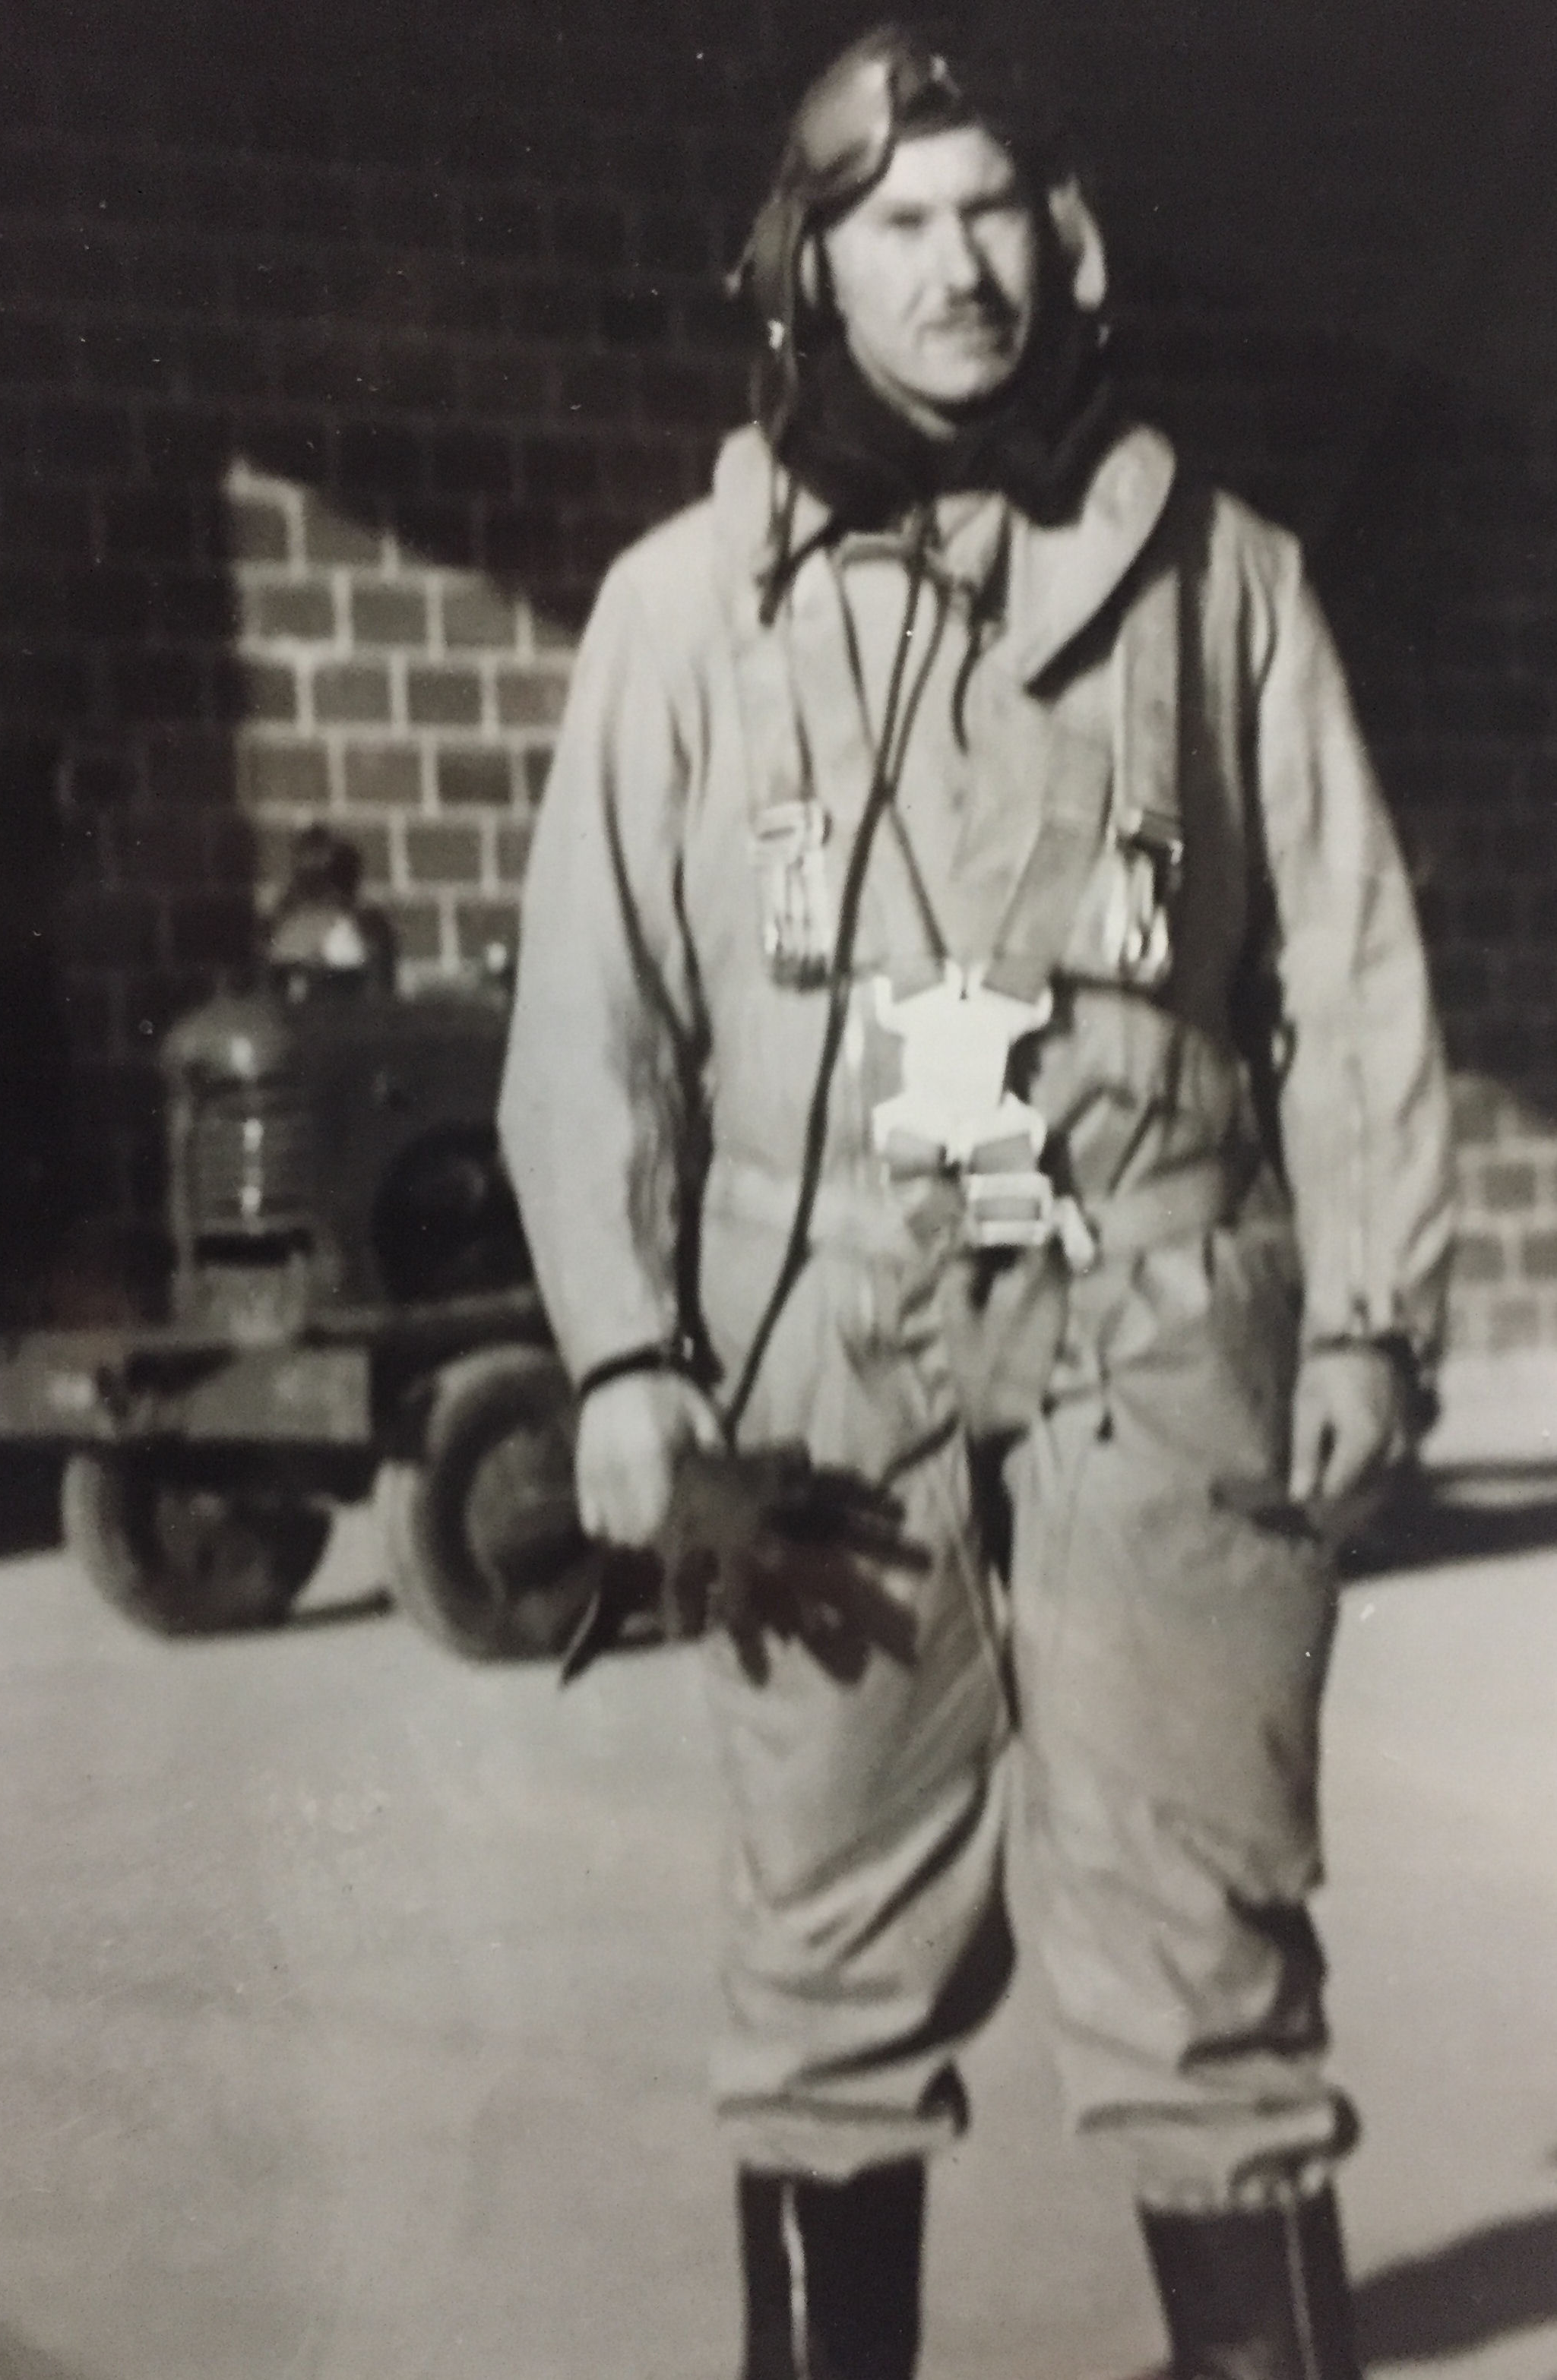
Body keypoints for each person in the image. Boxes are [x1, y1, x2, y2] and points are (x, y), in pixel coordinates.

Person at [498, 27, 1455, 2380]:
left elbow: (1348, 972)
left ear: (1073, 239)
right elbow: (590, 1021)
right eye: (896, 223)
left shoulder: (1221, 583)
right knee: (821, 1965)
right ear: (805, 273)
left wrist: (1371, 1316)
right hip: (822, 1354)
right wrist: (623, 1353)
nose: (958, 267)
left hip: (1159, 1332)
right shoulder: (680, 617)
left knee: (1211, 1974)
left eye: (993, 210)